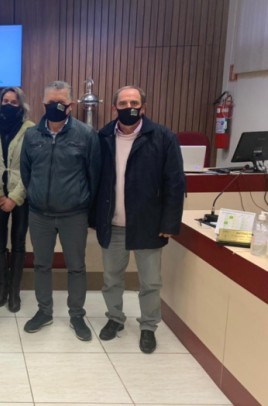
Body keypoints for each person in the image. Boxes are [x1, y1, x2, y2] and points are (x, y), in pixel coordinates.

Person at [95, 85, 185, 353]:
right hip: (113, 223)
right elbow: (97, 180)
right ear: (115, 108)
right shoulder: (103, 137)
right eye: (123, 103)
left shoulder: (162, 137)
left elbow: (175, 183)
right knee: (112, 278)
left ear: (143, 108)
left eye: (134, 102)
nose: (129, 107)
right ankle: (115, 319)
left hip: (148, 223)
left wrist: (169, 223)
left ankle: (148, 326)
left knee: (150, 282)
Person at [20, 81, 101, 341]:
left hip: (73, 214)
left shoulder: (86, 135)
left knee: (76, 266)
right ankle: (44, 311)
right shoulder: (32, 135)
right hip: (39, 214)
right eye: (50, 103)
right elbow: (26, 172)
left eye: (60, 103)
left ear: (71, 105)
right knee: (41, 265)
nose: (54, 107)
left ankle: (76, 314)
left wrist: (85, 207)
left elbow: (94, 175)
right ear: (43, 104)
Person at [0, 87, 34, 312]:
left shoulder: (31, 131)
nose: (9, 105)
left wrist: (14, 197)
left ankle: (15, 291)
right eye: (6, 101)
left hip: (22, 196)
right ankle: (2, 288)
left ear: (21, 106)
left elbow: (33, 167)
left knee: (19, 242)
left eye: (14, 102)